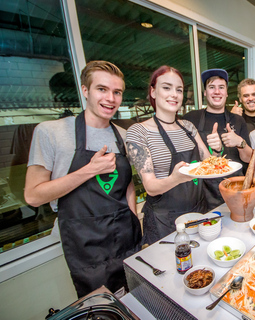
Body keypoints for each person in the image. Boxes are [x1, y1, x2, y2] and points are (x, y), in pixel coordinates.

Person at [24, 61, 142, 298]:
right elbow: (33, 196)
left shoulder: (123, 135)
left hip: (126, 237)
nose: (110, 98)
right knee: (103, 307)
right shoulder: (51, 132)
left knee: (137, 298)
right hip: (86, 245)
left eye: (117, 92)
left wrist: (134, 217)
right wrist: (88, 170)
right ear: (85, 91)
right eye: (102, 89)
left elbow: (127, 183)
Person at [126, 66, 215, 245]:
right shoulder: (139, 132)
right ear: (153, 91)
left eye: (179, 89)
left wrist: (217, 150)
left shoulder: (188, 127)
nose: (174, 94)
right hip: (164, 221)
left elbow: (209, 162)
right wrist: (175, 178)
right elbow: (150, 187)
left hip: (198, 211)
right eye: (166, 87)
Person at [183, 68, 252, 211]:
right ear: (205, 92)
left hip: (233, 188)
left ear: (226, 92)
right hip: (202, 192)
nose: (217, 92)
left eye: (221, 87)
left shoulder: (238, 120)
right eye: (211, 87)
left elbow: (247, 158)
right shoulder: (191, 118)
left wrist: (240, 142)